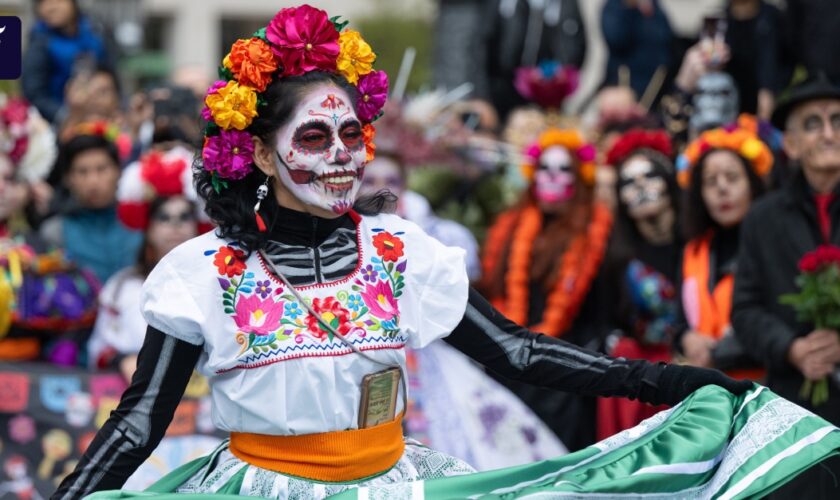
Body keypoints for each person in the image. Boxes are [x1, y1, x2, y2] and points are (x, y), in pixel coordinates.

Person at [53, 5, 753, 498]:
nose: (339, 157)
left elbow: (518, 353)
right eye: (314, 139)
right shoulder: (204, 274)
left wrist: (663, 384)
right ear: (263, 153)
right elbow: (141, 421)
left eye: (351, 135)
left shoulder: (401, 253)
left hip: (396, 485)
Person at [732, 73, 840, 499]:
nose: (829, 133)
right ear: (791, 145)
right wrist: (792, 347)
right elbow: (745, 309)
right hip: (795, 405)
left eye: (836, 119)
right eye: (812, 123)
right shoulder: (763, 218)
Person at [479, 127, 616, 450]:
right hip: (510, 359)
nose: (553, 177)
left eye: (564, 169)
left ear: (579, 177)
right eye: (545, 168)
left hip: (565, 366)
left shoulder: (595, 228)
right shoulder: (509, 227)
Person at [87, 146, 200, 380]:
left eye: (184, 217)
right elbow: (98, 351)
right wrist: (122, 361)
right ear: (147, 227)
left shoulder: (220, 284)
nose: (175, 226)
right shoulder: (121, 287)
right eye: (164, 217)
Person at [597, 128, 681, 439]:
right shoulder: (616, 258)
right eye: (628, 183)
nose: (641, 187)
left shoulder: (699, 246)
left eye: (649, 176)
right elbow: (603, 321)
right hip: (646, 387)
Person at [676, 122, 771, 381]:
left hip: (768, 391)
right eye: (710, 181)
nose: (721, 189)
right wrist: (687, 338)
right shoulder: (694, 250)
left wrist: (720, 351)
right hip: (712, 395)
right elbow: (679, 322)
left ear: (752, 184)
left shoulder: (774, 241)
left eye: (732, 177)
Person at [40, 123, 143, 284]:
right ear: (68, 178)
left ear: (118, 171)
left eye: (101, 169)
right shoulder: (54, 233)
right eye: (82, 172)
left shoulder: (141, 224)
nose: (93, 181)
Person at [21, 0, 113, 123]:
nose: (51, 7)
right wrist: (65, 116)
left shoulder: (95, 31)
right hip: (59, 122)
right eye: (43, 3)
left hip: (100, 116)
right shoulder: (40, 41)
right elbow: (34, 94)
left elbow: (111, 74)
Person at [601, 0, 673, 105]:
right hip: (625, 86)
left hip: (655, 86)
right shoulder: (616, 6)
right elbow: (616, 39)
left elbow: (666, 41)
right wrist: (630, 8)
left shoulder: (655, 6)